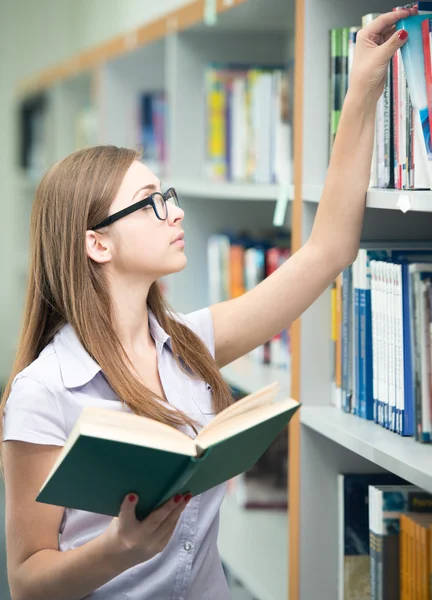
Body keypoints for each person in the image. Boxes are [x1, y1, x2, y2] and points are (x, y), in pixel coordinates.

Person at [0, 8, 415, 600]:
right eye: (150, 202)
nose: (177, 211)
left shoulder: (192, 345)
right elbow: (26, 580)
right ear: (97, 242)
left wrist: (363, 88)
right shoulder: (44, 391)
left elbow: (327, 251)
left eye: (167, 194)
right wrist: (118, 551)